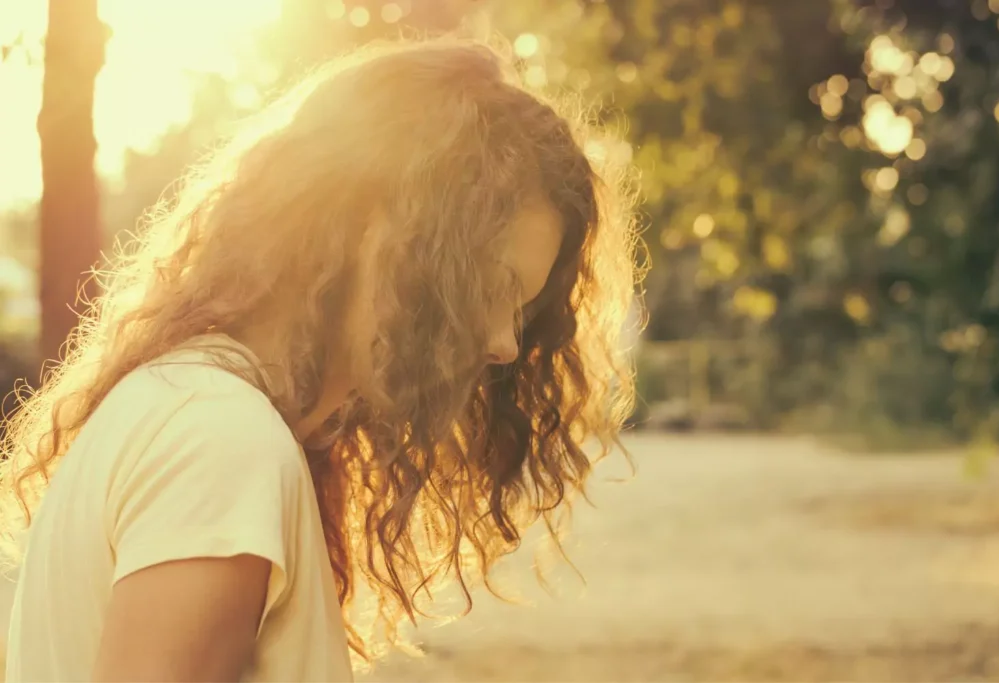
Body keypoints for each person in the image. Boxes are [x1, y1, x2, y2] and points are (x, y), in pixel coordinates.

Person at [0, 37, 643, 682]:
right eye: (490, 288)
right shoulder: (220, 439)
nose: (505, 344)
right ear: (381, 228)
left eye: (521, 313)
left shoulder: (192, 407)